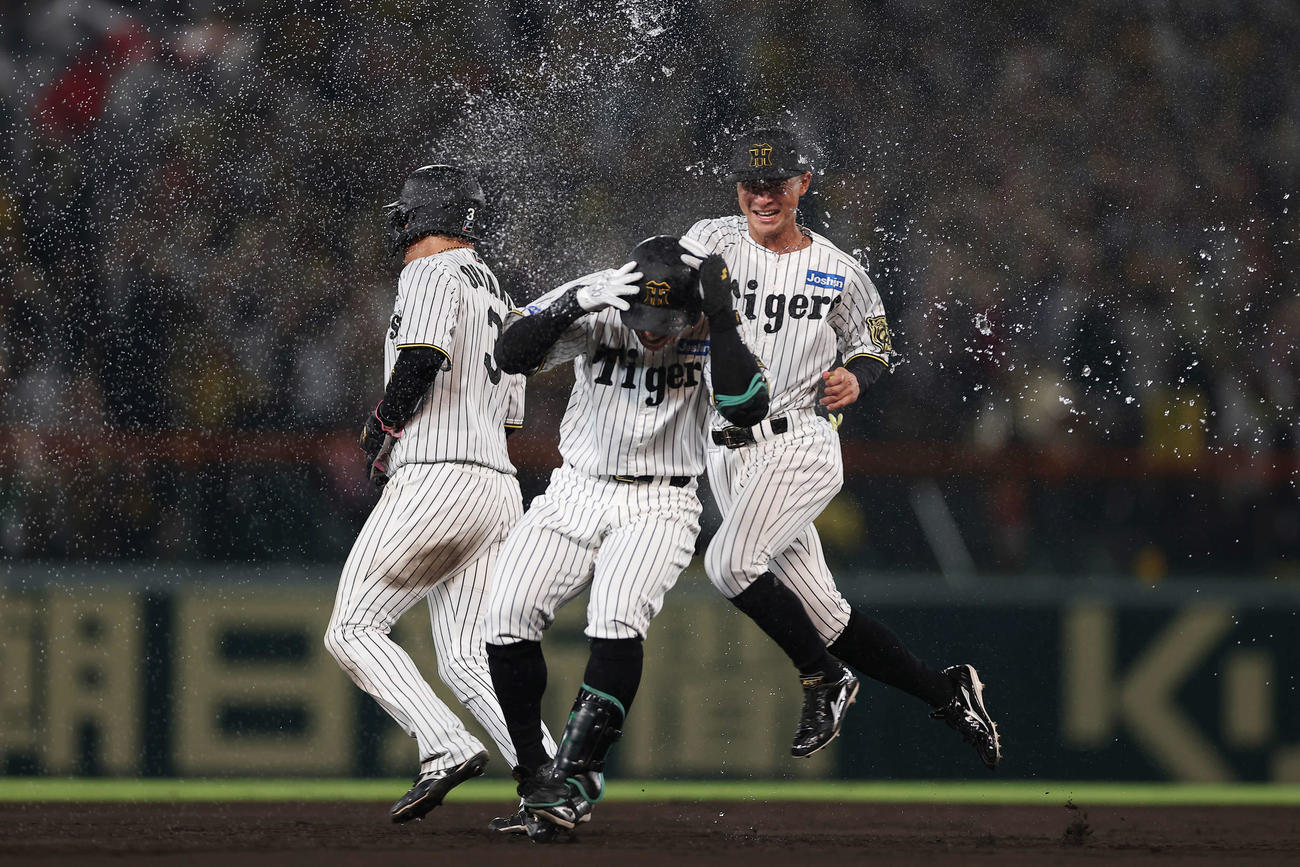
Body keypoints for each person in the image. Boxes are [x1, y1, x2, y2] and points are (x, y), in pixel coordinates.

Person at [683, 128, 1002, 770]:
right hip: (724, 451)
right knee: (825, 615)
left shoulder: (837, 268)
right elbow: (660, 283)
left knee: (729, 565)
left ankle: (825, 679)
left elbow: (877, 341)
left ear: (802, 186)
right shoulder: (709, 240)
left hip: (799, 442)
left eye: (776, 184)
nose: (762, 195)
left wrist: (860, 373)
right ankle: (948, 692)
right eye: (751, 183)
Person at [481, 236, 771, 839]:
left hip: (660, 499)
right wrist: (574, 302)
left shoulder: (718, 315)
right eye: (643, 318)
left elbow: (747, 407)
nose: (651, 332)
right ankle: (540, 780)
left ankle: (578, 772)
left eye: (666, 321)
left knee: (615, 617)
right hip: (576, 487)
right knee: (504, 613)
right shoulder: (603, 296)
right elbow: (510, 354)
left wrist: (720, 318)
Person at [323, 164, 555, 824]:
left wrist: (382, 426)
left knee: (352, 628)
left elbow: (420, 358)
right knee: (464, 656)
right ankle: (552, 783)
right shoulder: (501, 295)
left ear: (423, 215)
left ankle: (443, 745)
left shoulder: (429, 271)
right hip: (496, 487)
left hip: (437, 476)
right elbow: (512, 412)